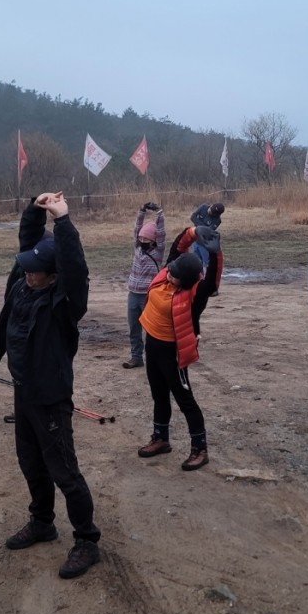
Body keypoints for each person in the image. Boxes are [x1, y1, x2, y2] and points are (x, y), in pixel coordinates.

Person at [0, 192, 101, 579]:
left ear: (54, 276)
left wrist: (64, 221)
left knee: (64, 472)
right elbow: (28, 242)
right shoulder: (23, 284)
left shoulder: (63, 303)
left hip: (51, 398)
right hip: (24, 392)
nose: (27, 271)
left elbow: (75, 268)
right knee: (30, 462)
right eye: (27, 266)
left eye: (37, 269)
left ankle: (86, 541)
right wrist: (35, 209)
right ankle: (42, 522)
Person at [136, 249, 221, 471]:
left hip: (172, 353)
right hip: (152, 345)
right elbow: (177, 248)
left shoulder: (194, 295)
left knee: (185, 401)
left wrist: (215, 253)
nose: (168, 273)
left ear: (186, 281)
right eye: (170, 270)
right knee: (159, 395)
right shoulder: (167, 276)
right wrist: (193, 233)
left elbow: (211, 283)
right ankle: (161, 438)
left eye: (174, 274)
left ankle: (200, 450)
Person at [124, 201, 165, 369]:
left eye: (146, 239)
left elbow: (161, 233)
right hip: (133, 294)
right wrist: (142, 211)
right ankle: (136, 357)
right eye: (141, 238)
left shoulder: (157, 252)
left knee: (152, 329)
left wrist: (159, 213)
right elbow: (137, 229)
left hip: (149, 296)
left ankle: (155, 359)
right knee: (134, 328)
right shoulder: (137, 249)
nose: (142, 240)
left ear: (153, 241)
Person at [168, 202, 225, 291]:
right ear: (211, 206)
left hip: (205, 245)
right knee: (197, 263)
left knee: (206, 264)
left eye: (212, 213)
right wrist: (200, 229)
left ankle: (208, 285)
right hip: (195, 241)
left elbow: (208, 230)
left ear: (217, 215)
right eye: (210, 210)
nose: (210, 212)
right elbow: (193, 217)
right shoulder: (203, 207)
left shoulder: (217, 221)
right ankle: (198, 282)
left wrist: (199, 227)